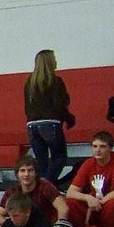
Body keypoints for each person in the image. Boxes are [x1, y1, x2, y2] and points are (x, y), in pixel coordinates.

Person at [0, 154, 68, 227]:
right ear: (17, 174)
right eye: (22, 171)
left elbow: (63, 208)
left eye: (30, 170)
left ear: (36, 173)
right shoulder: (12, 191)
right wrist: (14, 224)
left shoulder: (45, 186)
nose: (26, 174)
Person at [24, 49, 75, 185]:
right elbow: (60, 105)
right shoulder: (56, 81)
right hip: (50, 123)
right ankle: (46, 186)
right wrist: (69, 119)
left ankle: (43, 187)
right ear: (50, 62)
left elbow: (27, 106)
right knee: (60, 157)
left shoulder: (30, 83)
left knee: (41, 163)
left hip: (32, 124)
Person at [66, 131, 114, 227]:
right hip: (96, 201)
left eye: (102, 146)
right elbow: (70, 192)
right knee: (70, 202)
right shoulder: (88, 163)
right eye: (94, 146)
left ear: (110, 148)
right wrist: (88, 198)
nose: (97, 150)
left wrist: (98, 203)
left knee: (113, 205)